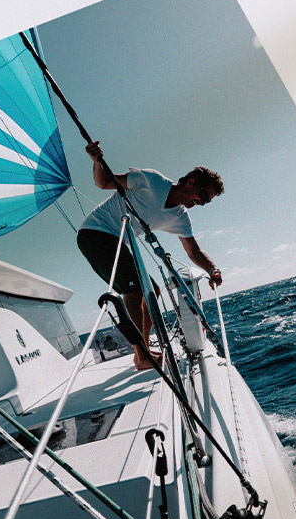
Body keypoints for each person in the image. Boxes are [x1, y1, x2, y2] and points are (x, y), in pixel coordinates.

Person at [73, 140, 224, 371]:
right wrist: (96, 161)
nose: (203, 202)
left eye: (208, 201)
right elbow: (104, 182)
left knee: (152, 291)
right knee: (133, 290)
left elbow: (193, 251)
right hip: (95, 233)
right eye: (203, 195)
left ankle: (141, 350)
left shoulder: (180, 218)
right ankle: (141, 355)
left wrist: (212, 269)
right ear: (191, 180)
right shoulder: (152, 181)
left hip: (116, 239)